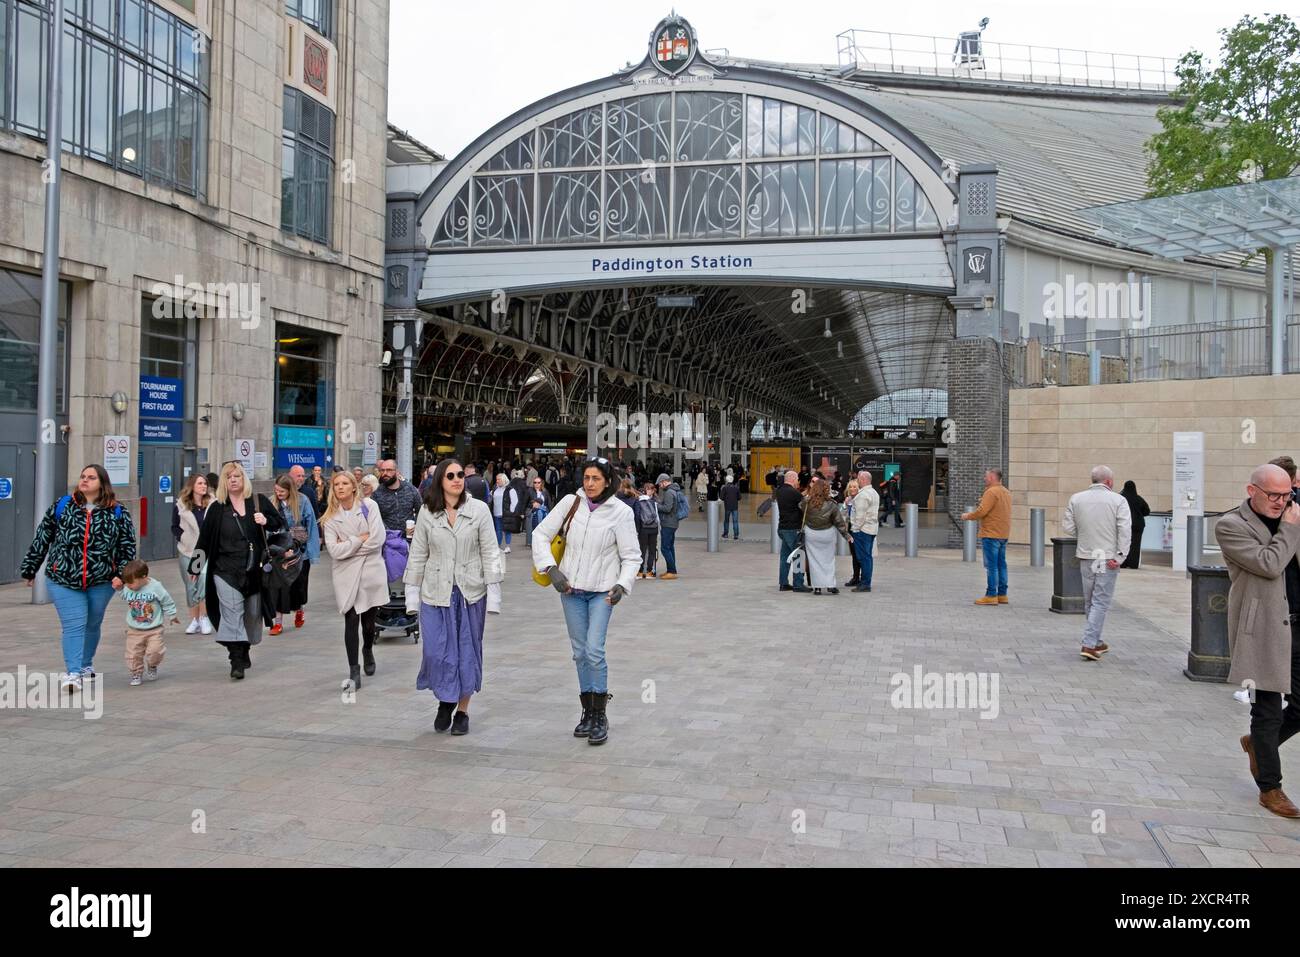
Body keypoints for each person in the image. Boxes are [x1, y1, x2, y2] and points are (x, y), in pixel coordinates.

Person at [532, 457, 641, 746]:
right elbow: (540, 534)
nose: (589, 484)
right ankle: (588, 713)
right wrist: (550, 568)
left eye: (596, 478)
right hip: (571, 591)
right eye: (586, 478)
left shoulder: (620, 512)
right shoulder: (571, 503)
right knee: (580, 652)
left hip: (603, 592)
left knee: (594, 650)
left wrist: (622, 585)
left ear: (608, 481)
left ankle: (601, 714)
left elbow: (632, 555)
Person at [1219, 464, 1300, 818]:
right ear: (1252, 490)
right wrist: (1290, 529)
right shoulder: (1231, 525)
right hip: (1263, 630)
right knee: (1266, 710)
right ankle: (1271, 787)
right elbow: (1269, 563)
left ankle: (1258, 746)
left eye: (1288, 495)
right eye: (1274, 495)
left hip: (1297, 625)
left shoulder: (1293, 518)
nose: (1281, 502)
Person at [405, 459, 503, 735]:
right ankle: (445, 699)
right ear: (440, 481)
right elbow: (418, 553)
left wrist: (494, 593)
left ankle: (462, 710)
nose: (457, 479)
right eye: (451, 475)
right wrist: (412, 594)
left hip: (470, 592)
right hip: (435, 593)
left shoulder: (479, 510)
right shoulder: (427, 512)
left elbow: (491, 552)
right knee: (436, 652)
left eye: (460, 474)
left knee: (466, 652)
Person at [21, 464, 137, 692]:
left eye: (91, 477)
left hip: (102, 580)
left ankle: (85, 664)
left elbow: (127, 547)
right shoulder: (63, 506)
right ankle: (72, 673)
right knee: (74, 624)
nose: (84, 480)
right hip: (63, 577)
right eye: (83, 476)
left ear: (102, 483)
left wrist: (121, 575)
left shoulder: (117, 512)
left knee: (92, 623)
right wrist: (30, 568)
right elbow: (42, 537)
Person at [190, 461, 282, 680]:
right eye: (229, 476)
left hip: (253, 570)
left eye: (237, 476)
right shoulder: (217, 508)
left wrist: (266, 520)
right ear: (224, 481)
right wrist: (195, 565)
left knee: (251, 615)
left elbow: (280, 524)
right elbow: (204, 539)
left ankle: (245, 648)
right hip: (224, 570)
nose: (233, 480)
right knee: (232, 614)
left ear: (244, 479)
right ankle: (236, 659)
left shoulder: (257, 503)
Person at [322, 470, 388, 690]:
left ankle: (367, 648)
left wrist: (348, 545)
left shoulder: (370, 506)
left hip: (370, 571)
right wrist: (359, 539)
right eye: (336, 484)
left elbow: (378, 539)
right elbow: (334, 551)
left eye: (344, 483)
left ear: (353, 486)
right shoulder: (330, 518)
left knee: (368, 622)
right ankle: (353, 669)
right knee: (350, 619)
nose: (340, 487)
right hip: (345, 573)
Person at [1062, 465, 1132, 662]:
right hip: (1107, 557)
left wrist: (1084, 537)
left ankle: (1097, 640)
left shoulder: (1076, 498)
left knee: (1090, 600)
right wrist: (1120, 556)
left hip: (1086, 555)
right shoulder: (1119, 500)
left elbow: (1068, 526)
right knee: (1100, 601)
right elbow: (1124, 530)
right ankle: (1089, 643)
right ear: (1109, 482)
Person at [114, 558, 180, 686]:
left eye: (131, 583)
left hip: (154, 629)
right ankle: (136, 672)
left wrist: (172, 615)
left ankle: (152, 665)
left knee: (155, 651)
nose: (128, 586)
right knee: (133, 653)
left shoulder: (155, 587)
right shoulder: (128, 588)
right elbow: (124, 595)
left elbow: (166, 600)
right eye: (126, 583)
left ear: (143, 577)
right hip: (134, 629)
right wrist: (119, 589)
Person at [268, 473, 319, 634]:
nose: (279, 494)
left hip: (299, 552)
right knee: (278, 587)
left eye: (282, 491)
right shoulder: (272, 502)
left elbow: (309, 526)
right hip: (279, 552)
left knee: (299, 586)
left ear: (290, 490)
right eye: (276, 490)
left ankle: (299, 610)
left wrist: (310, 552)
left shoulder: (302, 501)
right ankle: (277, 622)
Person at [962, 468, 1013, 606]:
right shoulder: (1006, 492)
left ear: (991, 477)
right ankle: (1002, 595)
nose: (984, 479)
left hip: (991, 534)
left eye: (986, 476)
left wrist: (968, 516)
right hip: (1003, 533)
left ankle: (991, 595)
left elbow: (982, 511)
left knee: (991, 566)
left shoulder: (991, 492)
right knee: (1001, 565)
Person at [172, 472, 213, 634]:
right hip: (188, 549)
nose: (203, 486)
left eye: (205, 484)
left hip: (203, 551)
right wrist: (182, 537)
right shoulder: (181, 505)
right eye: (200, 483)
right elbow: (174, 526)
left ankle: (204, 617)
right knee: (191, 585)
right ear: (192, 486)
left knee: (202, 580)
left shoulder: (212, 504)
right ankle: (194, 620)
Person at [372, 458, 423, 579]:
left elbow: (422, 511)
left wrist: (416, 525)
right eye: (382, 470)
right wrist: (389, 533)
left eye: (389, 470)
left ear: (396, 472)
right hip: (387, 543)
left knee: (410, 576)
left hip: (410, 542)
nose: (385, 473)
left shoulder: (410, 490)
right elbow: (375, 518)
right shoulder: (377, 494)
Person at [801, 479, 854, 595]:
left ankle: (817, 587)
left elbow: (800, 506)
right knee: (829, 560)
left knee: (814, 561)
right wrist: (847, 535)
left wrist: (807, 494)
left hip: (811, 534)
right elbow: (839, 522)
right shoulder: (832, 504)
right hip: (827, 533)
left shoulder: (806, 502)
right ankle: (830, 585)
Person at [775, 470, 809, 593]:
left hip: (782, 527)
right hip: (793, 529)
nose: (798, 482)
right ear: (793, 479)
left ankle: (783, 583)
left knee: (785, 557)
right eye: (797, 480)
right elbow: (804, 503)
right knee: (798, 555)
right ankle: (798, 584)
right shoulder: (794, 493)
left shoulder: (779, 491)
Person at [849, 472, 881, 592]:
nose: (857, 481)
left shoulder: (862, 495)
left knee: (863, 558)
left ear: (863, 479)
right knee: (868, 557)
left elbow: (860, 516)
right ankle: (865, 582)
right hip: (871, 529)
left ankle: (865, 584)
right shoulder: (874, 493)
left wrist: (854, 529)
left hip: (862, 530)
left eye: (858, 479)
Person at [655, 473, 683, 580]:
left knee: (665, 548)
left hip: (668, 523)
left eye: (660, 484)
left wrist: (656, 506)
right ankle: (671, 570)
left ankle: (672, 571)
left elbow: (667, 508)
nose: (660, 486)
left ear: (664, 482)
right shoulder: (673, 490)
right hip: (672, 523)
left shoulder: (669, 492)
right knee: (670, 547)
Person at [1119, 480, 1151, 569]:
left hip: (1124, 524)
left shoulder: (1121, 498)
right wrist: (1139, 514)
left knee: (1122, 543)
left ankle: (1123, 563)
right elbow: (1147, 511)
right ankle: (1133, 564)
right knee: (1135, 544)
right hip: (1138, 525)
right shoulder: (1139, 498)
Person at [635, 481, 660, 579]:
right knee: (652, 550)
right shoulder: (655, 501)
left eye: (652, 489)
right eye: (650, 489)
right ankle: (650, 571)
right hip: (654, 528)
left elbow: (638, 515)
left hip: (644, 529)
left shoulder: (640, 500)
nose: (651, 491)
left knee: (642, 550)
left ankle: (641, 571)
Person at [720, 473, 741, 539]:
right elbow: (739, 497)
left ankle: (726, 534)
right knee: (735, 521)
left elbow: (721, 498)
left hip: (727, 507)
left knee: (726, 521)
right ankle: (736, 535)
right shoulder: (736, 488)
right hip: (735, 507)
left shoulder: (724, 488)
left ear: (727, 480)